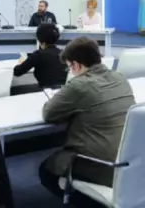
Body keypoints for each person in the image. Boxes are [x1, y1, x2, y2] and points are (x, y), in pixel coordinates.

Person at [39, 37, 135, 207]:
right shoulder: (120, 78)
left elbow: (49, 114)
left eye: (69, 67)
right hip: (129, 164)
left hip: (101, 167)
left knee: (46, 171)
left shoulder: (78, 85)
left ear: (76, 65)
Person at [13, 23, 67, 89]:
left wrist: (21, 63)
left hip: (45, 91)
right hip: (64, 90)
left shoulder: (38, 55)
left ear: (39, 39)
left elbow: (17, 72)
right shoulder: (64, 54)